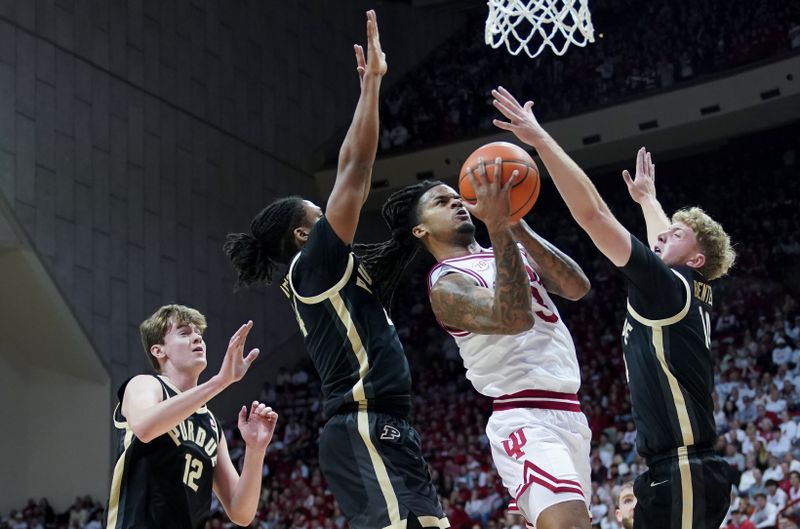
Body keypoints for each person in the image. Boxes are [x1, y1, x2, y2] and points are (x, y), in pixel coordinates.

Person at [223, 11, 447, 529]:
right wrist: (371, 87)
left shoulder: (320, 269)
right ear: (305, 235)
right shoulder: (314, 264)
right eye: (320, 218)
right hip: (363, 424)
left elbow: (349, 162)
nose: (332, 219)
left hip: (385, 425)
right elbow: (356, 169)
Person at [491, 86, 736, 529]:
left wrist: (541, 141)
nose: (661, 237)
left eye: (677, 235)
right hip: (681, 470)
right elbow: (664, 239)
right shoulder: (690, 287)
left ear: (696, 259)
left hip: (683, 468)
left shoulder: (668, 286)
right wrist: (648, 201)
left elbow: (594, 215)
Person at [376, 152, 592, 528]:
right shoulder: (446, 283)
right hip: (524, 417)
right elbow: (514, 317)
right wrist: (497, 227)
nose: (457, 202)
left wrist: (514, 223)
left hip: (572, 413)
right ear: (420, 230)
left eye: (456, 197)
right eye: (441, 202)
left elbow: (577, 287)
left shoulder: (512, 249)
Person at [106, 304, 278, 529]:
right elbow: (145, 428)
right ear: (158, 351)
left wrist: (255, 449)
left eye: (199, 333)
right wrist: (220, 381)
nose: (197, 338)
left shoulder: (211, 424)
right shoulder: (146, 385)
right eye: (184, 332)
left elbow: (241, 512)